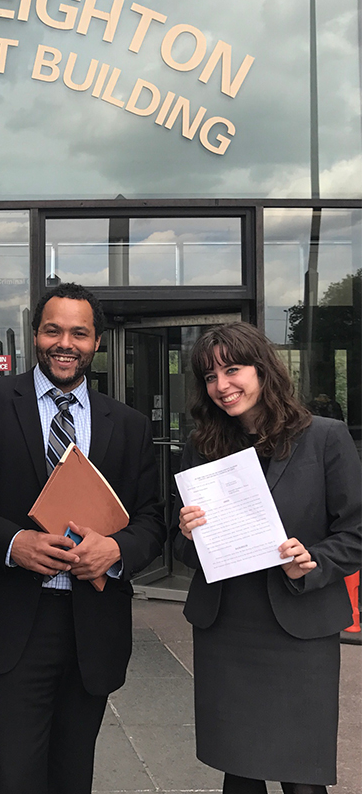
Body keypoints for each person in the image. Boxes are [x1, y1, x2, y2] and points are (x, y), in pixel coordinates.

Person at [0, 283, 166, 794]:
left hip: (92, 628)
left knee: (72, 774)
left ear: (97, 342)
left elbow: (152, 518)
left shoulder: (127, 425)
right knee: (15, 774)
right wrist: (13, 543)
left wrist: (118, 550)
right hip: (11, 625)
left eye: (79, 333)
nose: (66, 343)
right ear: (36, 334)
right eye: (53, 330)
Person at [175, 322, 362, 794]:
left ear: (263, 369)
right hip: (228, 626)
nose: (222, 386)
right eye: (210, 377)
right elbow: (179, 547)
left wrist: (313, 559)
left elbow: (356, 531)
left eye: (232, 370)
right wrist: (188, 534)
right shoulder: (203, 447)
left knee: (301, 776)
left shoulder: (326, 437)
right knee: (238, 771)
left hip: (298, 629)